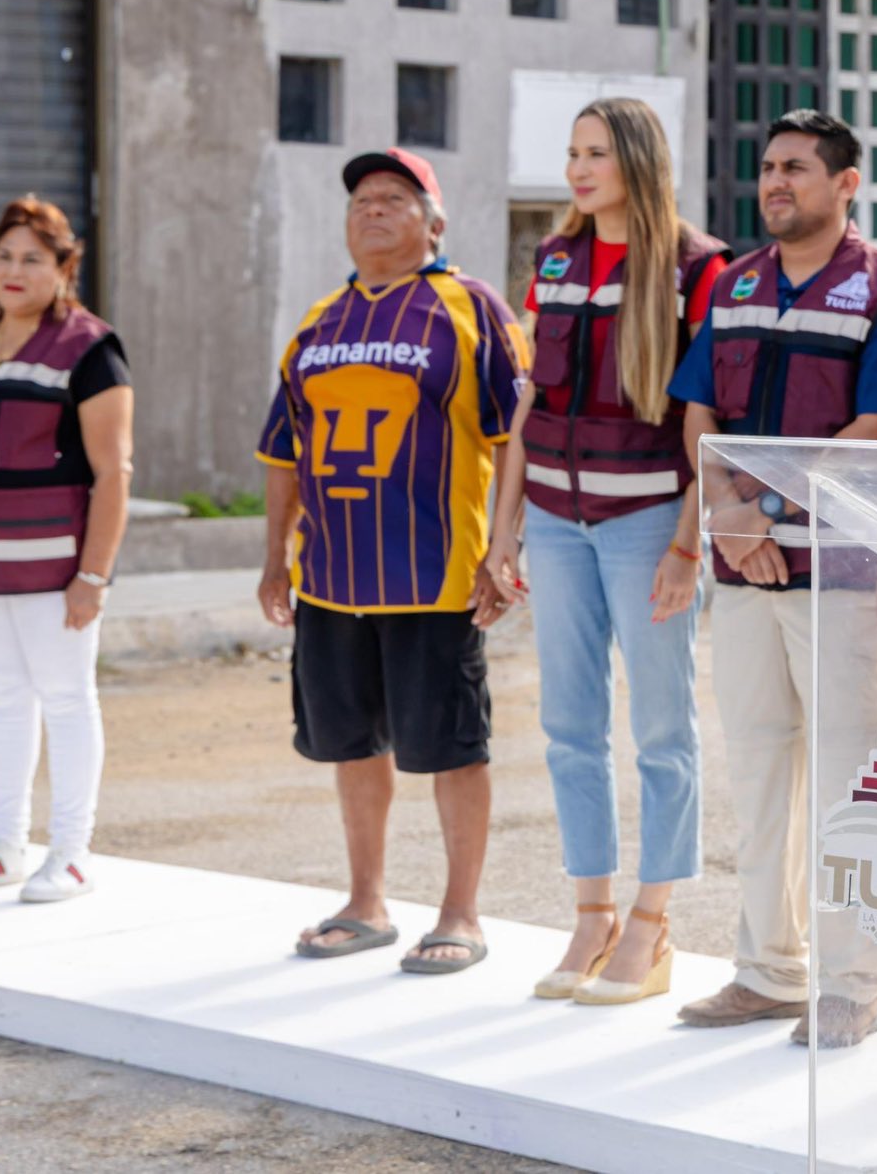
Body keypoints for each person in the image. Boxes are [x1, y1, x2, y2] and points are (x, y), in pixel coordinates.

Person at [667, 110, 877, 1045]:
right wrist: (726, 517)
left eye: (798, 170)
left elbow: (875, 431)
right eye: (768, 167)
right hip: (743, 577)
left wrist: (758, 513)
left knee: (852, 782)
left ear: (846, 184)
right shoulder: (731, 285)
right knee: (762, 774)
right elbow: (698, 409)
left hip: (841, 575)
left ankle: (854, 983)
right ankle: (768, 972)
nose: (777, 183)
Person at [481, 98, 730, 1006]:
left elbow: (708, 423)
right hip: (553, 519)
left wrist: (686, 544)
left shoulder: (700, 269)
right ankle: (591, 914)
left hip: (645, 525)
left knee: (663, 731)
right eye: (571, 153)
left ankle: (654, 922)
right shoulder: (553, 260)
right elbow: (527, 411)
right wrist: (502, 532)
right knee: (568, 730)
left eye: (596, 153)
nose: (579, 170)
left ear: (636, 159)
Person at [257, 148, 525, 974]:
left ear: (435, 223)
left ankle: (460, 912)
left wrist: (504, 553)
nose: (373, 209)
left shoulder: (471, 309)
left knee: (451, 748)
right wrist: (274, 557)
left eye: (395, 199)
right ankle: (366, 900)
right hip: (333, 579)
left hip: (435, 576)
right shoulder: (316, 324)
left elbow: (519, 438)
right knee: (350, 744)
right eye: (361, 200)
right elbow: (284, 452)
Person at [0, 196, 134, 902]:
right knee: (6, 699)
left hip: (54, 568)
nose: (15, 271)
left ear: (65, 269)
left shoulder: (89, 349)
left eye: (33, 259)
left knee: (68, 700)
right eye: (4, 256)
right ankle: (4, 845)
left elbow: (113, 472)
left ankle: (71, 853)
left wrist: (94, 575)